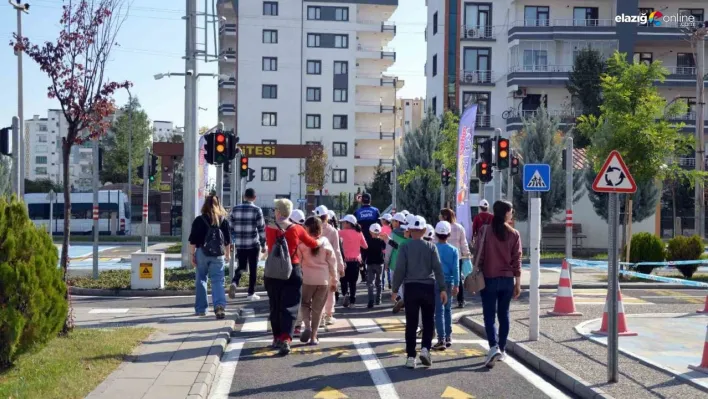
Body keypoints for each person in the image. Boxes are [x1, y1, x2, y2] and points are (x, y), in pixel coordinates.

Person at [265, 198, 322, 355]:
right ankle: (286, 338)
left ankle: (276, 337)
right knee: (290, 306)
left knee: (275, 305)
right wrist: (320, 243)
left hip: (272, 272)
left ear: (277, 211)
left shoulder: (269, 228)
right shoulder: (296, 229)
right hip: (292, 270)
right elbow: (312, 243)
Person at [391, 215, 447, 369]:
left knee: (411, 323)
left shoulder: (405, 247)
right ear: (424, 230)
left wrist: (395, 289)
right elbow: (438, 269)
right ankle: (425, 349)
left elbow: (400, 270)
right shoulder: (431, 247)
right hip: (428, 286)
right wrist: (443, 288)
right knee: (428, 321)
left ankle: (410, 357)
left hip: (410, 287)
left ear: (409, 230)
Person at [476, 200, 522, 368]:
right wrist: (518, 283)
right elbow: (517, 260)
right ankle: (502, 349)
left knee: (489, 315)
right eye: (511, 211)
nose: (512, 214)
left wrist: (476, 273)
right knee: (504, 314)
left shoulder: (485, 231)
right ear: (506, 213)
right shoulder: (514, 234)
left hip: (488, 278)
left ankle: (493, 346)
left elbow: (479, 256)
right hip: (507, 280)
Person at [296, 217, 338, 345]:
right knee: (318, 309)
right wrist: (334, 279)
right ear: (320, 229)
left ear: (307, 229)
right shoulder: (325, 242)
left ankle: (307, 327)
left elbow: (297, 262)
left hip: (307, 279)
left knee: (304, 304)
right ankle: (314, 336)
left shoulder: (302, 244)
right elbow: (332, 262)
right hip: (323, 280)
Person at [189, 195, 231, 319]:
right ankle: (219, 307)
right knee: (218, 281)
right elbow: (228, 240)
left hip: (202, 252)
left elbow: (192, 241)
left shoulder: (199, 220)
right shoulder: (222, 220)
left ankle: (201, 309)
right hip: (218, 254)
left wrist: (192, 255)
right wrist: (227, 254)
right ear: (218, 204)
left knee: (201, 279)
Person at [228, 188, 266, 301]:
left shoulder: (234, 209)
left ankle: (235, 281)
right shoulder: (257, 210)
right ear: (254, 198)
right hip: (253, 244)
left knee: (241, 266)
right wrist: (264, 245)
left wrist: (231, 242)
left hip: (240, 244)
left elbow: (229, 227)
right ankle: (251, 293)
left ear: (244, 196)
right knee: (253, 268)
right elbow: (261, 228)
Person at [431, 221, 460, 351]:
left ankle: (441, 339)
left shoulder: (432, 248)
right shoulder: (454, 250)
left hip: (436, 281)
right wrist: (457, 284)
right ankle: (448, 337)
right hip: (449, 282)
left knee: (439, 311)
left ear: (436, 234)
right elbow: (456, 269)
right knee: (448, 309)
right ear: (449, 234)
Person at [315, 206, 344, 325]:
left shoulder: (312, 229)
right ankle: (328, 315)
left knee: (317, 293)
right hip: (330, 265)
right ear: (327, 217)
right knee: (330, 291)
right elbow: (337, 250)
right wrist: (340, 266)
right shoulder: (333, 231)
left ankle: (319, 316)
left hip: (315, 265)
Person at [439, 208, 472, 308]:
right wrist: (467, 254)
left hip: (442, 256)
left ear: (444, 216)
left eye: (440, 215)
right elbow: (463, 243)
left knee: (443, 277)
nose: (439, 217)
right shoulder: (459, 227)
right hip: (457, 256)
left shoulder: (440, 227)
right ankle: (460, 300)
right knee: (457, 277)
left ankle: (443, 297)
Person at [339, 214, 368, 307]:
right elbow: (365, 246)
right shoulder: (359, 233)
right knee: (353, 283)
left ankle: (345, 294)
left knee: (343, 280)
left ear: (348, 223)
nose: (343, 224)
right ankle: (352, 301)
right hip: (355, 261)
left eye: (344, 222)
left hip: (344, 261)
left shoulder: (341, 233)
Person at [385, 212, 408, 313]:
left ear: (398, 222)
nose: (392, 223)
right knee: (405, 283)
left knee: (396, 283)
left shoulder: (393, 234)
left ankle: (401, 300)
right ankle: (405, 301)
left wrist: (386, 262)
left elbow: (389, 250)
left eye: (393, 221)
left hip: (395, 263)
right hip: (407, 263)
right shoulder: (409, 234)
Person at [354, 193, 380, 281]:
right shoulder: (375, 210)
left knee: (361, 258)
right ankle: (374, 275)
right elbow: (379, 225)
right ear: (370, 200)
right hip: (373, 238)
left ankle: (363, 275)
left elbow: (354, 225)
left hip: (360, 239)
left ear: (362, 201)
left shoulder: (357, 212)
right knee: (373, 257)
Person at [365, 223, 386, 308]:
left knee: (370, 283)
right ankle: (378, 299)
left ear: (370, 232)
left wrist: (363, 261)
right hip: (380, 263)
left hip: (370, 263)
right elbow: (384, 248)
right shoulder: (381, 241)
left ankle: (371, 301)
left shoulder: (367, 240)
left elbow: (365, 251)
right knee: (379, 282)